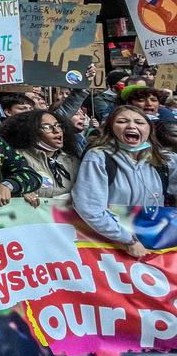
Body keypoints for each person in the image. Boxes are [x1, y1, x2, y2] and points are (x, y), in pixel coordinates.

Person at [72, 106, 177, 258]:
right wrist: (128, 240)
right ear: (110, 128)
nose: (132, 126)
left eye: (139, 122)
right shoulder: (98, 157)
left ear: (149, 129)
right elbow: (90, 207)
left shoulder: (165, 159)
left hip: (155, 244)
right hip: (109, 247)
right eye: (122, 121)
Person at [0, 110, 81, 202]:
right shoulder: (17, 158)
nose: (57, 130)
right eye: (47, 127)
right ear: (31, 131)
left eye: (58, 125)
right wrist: (21, 193)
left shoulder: (71, 159)